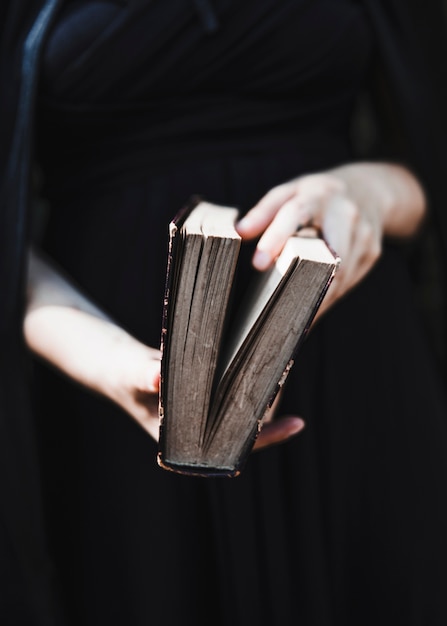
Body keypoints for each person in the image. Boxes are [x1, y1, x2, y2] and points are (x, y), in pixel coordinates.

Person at [1, 1, 447, 625]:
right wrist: (108, 362)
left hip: (352, 374)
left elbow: (431, 164)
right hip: (107, 378)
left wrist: (369, 193)